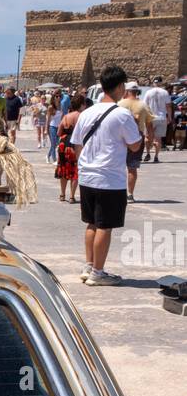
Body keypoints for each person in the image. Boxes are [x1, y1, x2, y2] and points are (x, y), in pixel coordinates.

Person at [71, 64, 143, 287]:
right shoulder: (122, 115)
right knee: (105, 225)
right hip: (109, 178)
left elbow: (76, 144)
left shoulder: (87, 113)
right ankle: (98, 272)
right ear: (120, 86)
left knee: (91, 223)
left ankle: (89, 265)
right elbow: (134, 146)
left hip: (87, 176)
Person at [118, 81, 154, 200]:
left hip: (120, 138)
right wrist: (150, 139)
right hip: (137, 137)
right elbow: (149, 125)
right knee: (132, 168)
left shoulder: (119, 104)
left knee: (117, 167)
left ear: (127, 91)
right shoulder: (143, 105)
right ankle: (130, 194)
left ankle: (117, 192)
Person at [55, 94, 86, 202]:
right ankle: (72, 196)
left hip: (64, 143)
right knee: (74, 170)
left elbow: (59, 132)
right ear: (82, 104)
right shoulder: (82, 116)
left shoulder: (66, 116)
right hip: (76, 144)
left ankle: (62, 194)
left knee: (63, 168)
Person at [141, 76, 173, 163]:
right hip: (161, 117)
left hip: (150, 117)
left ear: (153, 83)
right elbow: (168, 106)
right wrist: (169, 117)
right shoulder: (165, 92)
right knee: (158, 138)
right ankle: (156, 156)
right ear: (161, 83)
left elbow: (144, 105)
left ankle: (147, 153)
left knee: (147, 136)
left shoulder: (148, 92)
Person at [46, 91, 62, 162]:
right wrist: (46, 129)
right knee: (53, 143)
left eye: (60, 96)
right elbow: (48, 119)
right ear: (53, 97)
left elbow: (61, 117)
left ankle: (48, 155)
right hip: (52, 127)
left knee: (56, 144)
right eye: (56, 96)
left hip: (59, 127)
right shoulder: (51, 107)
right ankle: (55, 160)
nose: (58, 98)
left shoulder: (60, 105)